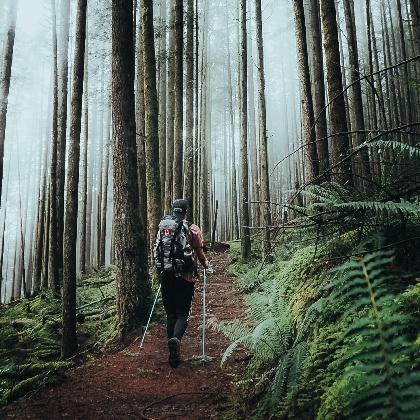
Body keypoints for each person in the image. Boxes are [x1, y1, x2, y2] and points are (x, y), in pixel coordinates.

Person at [155, 198, 210, 368]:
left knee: (170, 314)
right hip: (185, 277)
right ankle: (176, 339)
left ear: (173, 210)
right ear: (186, 211)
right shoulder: (192, 229)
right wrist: (206, 266)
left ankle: (173, 355)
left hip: (165, 275)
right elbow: (199, 253)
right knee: (182, 313)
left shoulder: (163, 227)